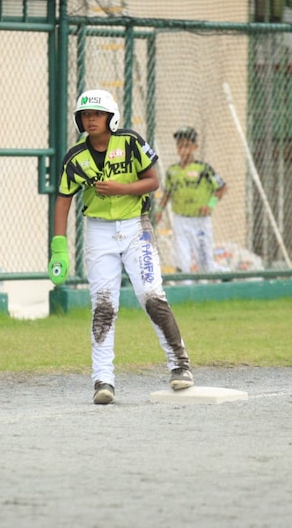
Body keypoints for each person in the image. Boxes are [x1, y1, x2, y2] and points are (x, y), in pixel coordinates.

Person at [49, 89, 194, 405]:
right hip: (98, 232)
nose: (91, 119)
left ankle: (180, 365)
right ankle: (103, 380)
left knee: (151, 296)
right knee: (103, 305)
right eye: (85, 115)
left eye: (97, 114)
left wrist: (121, 189)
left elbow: (153, 181)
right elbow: (63, 198)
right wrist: (58, 245)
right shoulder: (75, 157)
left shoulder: (129, 142)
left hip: (134, 227)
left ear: (110, 117)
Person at [153, 126, 227, 277]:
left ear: (194, 147)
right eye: (179, 146)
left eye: (186, 145)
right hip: (180, 220)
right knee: (181, 259)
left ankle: (224, 276)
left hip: (200, 221)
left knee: (205, 264)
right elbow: (167, 193)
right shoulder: (172, 171)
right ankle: (184, 285)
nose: (182, 149)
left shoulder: (203, 169)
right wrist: (160, 211)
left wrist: (210, 205)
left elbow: (221, 187)